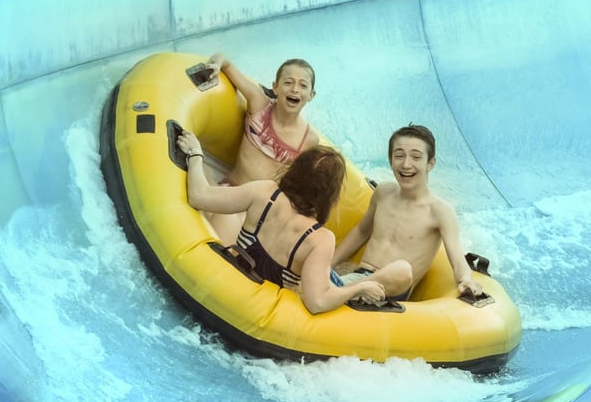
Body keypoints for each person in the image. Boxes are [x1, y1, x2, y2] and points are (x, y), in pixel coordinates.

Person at [177, 130, 386, 314]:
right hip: (259, 311)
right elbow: (317, 302)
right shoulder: (320, 239)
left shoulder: (265, 193)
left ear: (295, 170)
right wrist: (359, 288)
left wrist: (195, 153)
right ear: (330, 194)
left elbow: (199, 196)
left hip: (230, 288)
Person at [331, 124, 484, 302]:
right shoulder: (384, 192)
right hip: (360, 277)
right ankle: (333, 288)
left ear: (430, 163)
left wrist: (466, 280)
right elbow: (361, 231)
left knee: (402, 269)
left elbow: (458, 258)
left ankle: (332, 292)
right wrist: (329, 264)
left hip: (392, 288)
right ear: (390, 160)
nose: (406, 164)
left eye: (416, 157)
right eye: (399, 156)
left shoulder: (439, 211)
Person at [199, 53, 322, 243]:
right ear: (275, 87)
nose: (295, 89)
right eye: (288, 82)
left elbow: (301, 186)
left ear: (311, 95)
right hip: (232, 190)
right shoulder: (259, 103)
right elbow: (226, 61)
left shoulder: (309, 140)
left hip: (259, 210)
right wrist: (215, 64)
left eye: (303, 85)